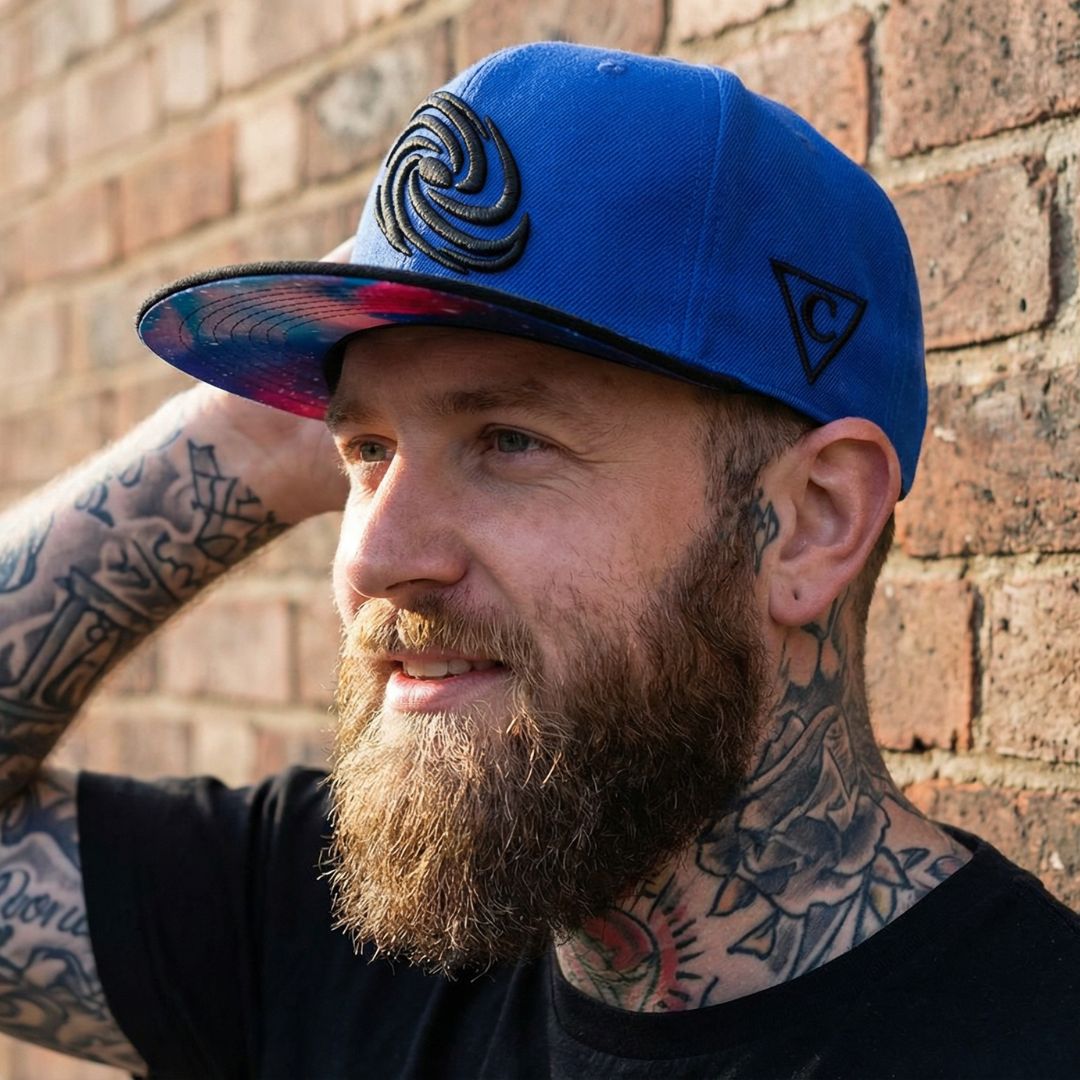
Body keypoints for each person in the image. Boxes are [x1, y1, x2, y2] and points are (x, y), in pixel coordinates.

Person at [0, 41, 1076, 1079]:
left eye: (510, 440)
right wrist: (255, 436)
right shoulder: (328, 934)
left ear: (810, 520)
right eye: (365, 451)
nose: (374, 555)